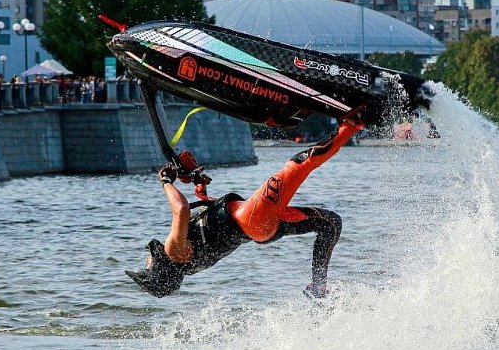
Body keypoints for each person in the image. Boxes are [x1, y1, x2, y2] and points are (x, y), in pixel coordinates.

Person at [126, 116, 365, 298]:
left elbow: (216, 227)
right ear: (159, 269)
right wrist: (165, 180)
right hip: (252, 219)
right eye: (147, 267)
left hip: (258, 228)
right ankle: (352, 123)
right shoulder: (173, 253)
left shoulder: (185, 263)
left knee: (330, 222)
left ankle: (318, 287)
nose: (147, 261)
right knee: (300, 164)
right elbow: (181, 209)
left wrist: (200, 189)